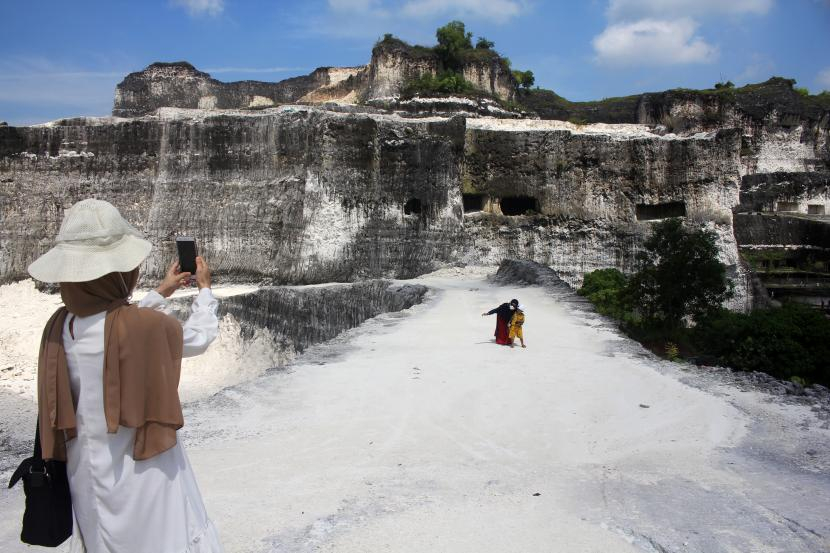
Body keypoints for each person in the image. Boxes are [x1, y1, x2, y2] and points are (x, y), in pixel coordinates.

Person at [26, 199, 223, 553]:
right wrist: (205, 292)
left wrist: (161, 292)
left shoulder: (60, 327)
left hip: (87, 475)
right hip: (142, 475)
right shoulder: (140, 328)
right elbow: (197, 337)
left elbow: (112, 330)